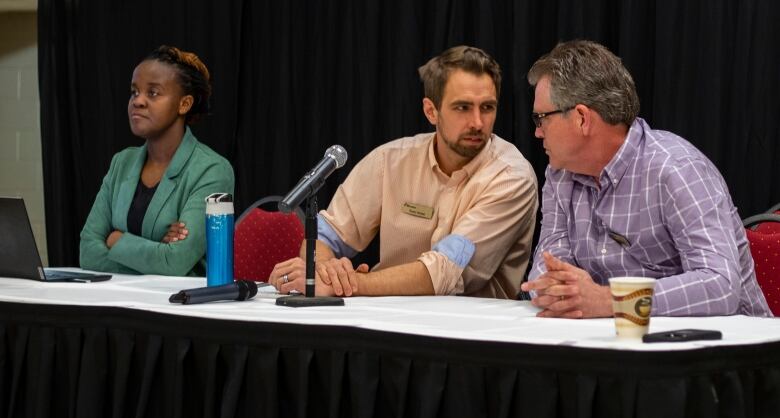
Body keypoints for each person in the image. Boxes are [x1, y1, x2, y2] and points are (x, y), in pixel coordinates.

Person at [520, 40, 771, 317]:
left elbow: (720, 285)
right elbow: (547, 265)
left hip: (729, 348)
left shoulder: (676, 169)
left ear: (581, 118)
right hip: (614, 344)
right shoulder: (560, 174)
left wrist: (611, 301)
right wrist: (554, 288)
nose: (538, 132)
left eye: (542, 118)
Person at [269, 46, 537, 299]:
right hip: (385, 325)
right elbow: (326, 236)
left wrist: (349, 284)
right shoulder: (390, 161)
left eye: (487, 107)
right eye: (462, 108)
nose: (478, 122)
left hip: (474, 335)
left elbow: (443, 271)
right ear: (431, 111)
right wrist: (327, 272)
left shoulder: (511, 177)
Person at [79, 45, 234, 276]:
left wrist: (116, 239)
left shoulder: (211, 169)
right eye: (134, 92)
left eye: (153, 93)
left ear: (184, 104)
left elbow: (175, 262)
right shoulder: (121, 162)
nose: (137, 101)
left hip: (178, 305)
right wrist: (156, 251)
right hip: (117, 300)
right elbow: (88, 252)